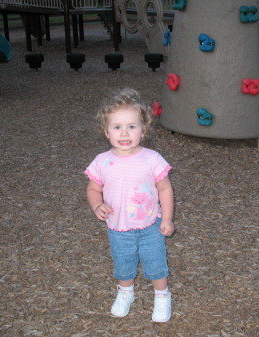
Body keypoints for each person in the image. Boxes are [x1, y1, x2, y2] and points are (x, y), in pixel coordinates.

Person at [84, 88, 175, 322]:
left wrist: (166, 219)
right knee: (123, 263)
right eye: (117, 127)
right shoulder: (102, 161)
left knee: (156, 263)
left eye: (131, 126)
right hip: (118, 226)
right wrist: (97, 206)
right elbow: (94, 189)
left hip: (150, 224)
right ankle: (125, 291)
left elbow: (164, 188)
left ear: (143, 131)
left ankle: (162, 294)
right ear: (106, 132)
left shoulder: (152, 159)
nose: (124, 133)